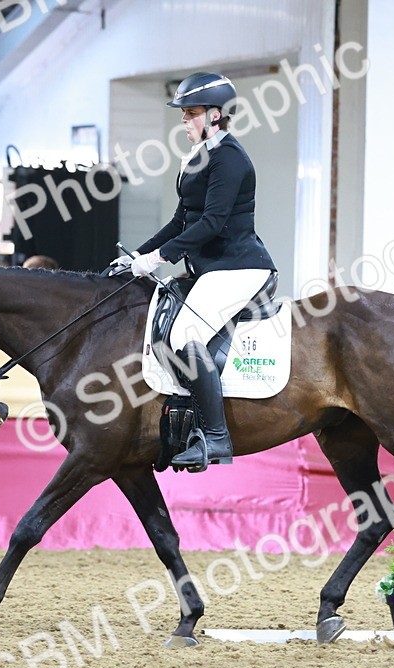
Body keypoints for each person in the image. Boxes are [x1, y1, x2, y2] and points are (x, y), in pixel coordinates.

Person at [117, 71, 276, 470]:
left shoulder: (231, 159)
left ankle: (217, 438)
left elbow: (212, 223)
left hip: (239, 268)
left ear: (216, 116)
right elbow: (180, 221)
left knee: (186, 333)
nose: (184, 121)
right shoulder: (198, 157)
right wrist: (137, 254)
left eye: (190, 114)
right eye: (184, 114)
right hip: (210, 269)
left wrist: (158, 260)